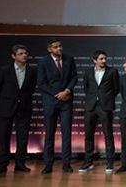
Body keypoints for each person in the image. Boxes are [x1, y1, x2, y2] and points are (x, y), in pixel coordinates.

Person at [0, 44, 37, 176]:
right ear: (13, 56)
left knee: (23, 137)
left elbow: (31, 89)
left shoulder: (32, 71)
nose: (24, 56)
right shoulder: (4, 70)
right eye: (21, 53)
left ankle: (20, 163)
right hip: (6, 108)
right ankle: (2, 165)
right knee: (4, 137)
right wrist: (6, 100)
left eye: (25, 53)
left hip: (24, 107)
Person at [37, 37, 78, 174]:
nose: (59, 48)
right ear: (49, 49)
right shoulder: (43, 62)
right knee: (49, 133)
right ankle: (48, 164)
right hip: (51, 101)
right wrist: (57, 94)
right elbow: (42, 83)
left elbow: (74, 78)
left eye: (60, 46)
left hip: (66, 101)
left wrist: (66, 91)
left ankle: (66, 163)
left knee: (66, 133)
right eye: (55, 47)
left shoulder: (69, 59)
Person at [79, 51, 120, 173]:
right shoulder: (88, 72)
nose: (104, 61)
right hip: (91, 106)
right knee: (88, 135)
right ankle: (88, 162)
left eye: (105, 59)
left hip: (105, 106)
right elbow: (86, 88)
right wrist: (93, 98)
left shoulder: (112, 71)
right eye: (101, 59)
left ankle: (110, 162)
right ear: (94, 60)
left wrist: (106, 98)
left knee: (108, 134)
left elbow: (116, 88)